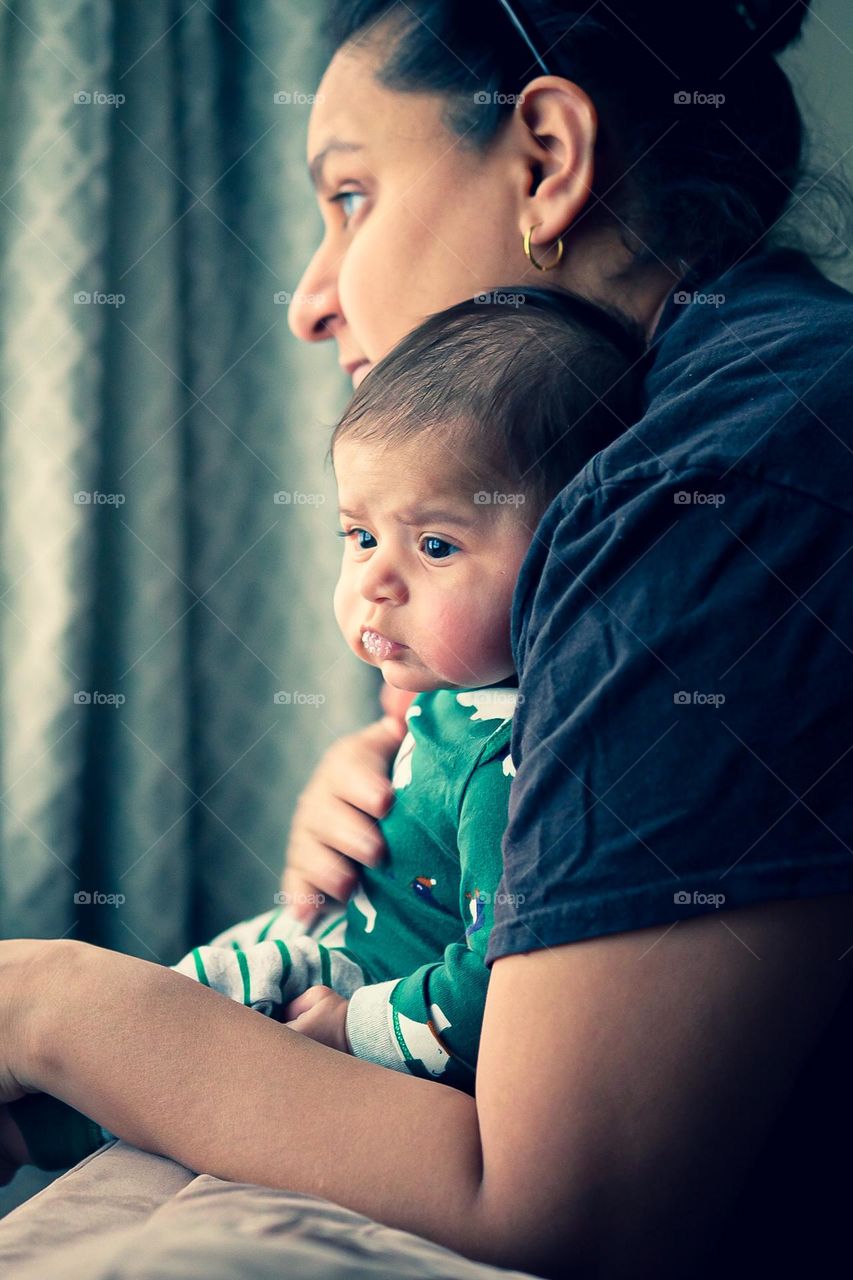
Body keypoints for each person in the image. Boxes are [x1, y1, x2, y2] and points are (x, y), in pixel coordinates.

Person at [0, 3, 851, 1277]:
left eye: (349, 193)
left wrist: (49, 1004)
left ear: (547, 161)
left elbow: (564, 1201)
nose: (308, 299)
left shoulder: (722, 474)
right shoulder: (712, 411)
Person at [1, 286, 645, 1171]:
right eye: (358, 535)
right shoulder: (454, 693)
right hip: (328, 946)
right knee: (206, 976)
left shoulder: (512, 766)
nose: (375, 581)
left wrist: (350, 1029)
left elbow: (493, 989)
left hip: (367, 997)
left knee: (201, 1001)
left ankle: (34, 1128)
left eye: (436, 546)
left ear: (565, 554)